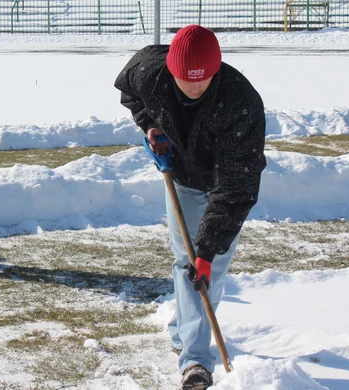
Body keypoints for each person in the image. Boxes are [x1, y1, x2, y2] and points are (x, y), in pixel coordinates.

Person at [114, 25, 266, 389]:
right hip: (180, 173)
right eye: (186, 79)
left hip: (224, 184)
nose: (194, 87)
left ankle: (190, 342)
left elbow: (236, 189)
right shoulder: (151, 74)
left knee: (205, 266)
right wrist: (151, 125)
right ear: (171, 69)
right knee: (186, 261)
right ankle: (194, 355)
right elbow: (128, 89)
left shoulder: (240, 102)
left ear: (217, 69)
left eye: (203, 79)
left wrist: (209, 250)